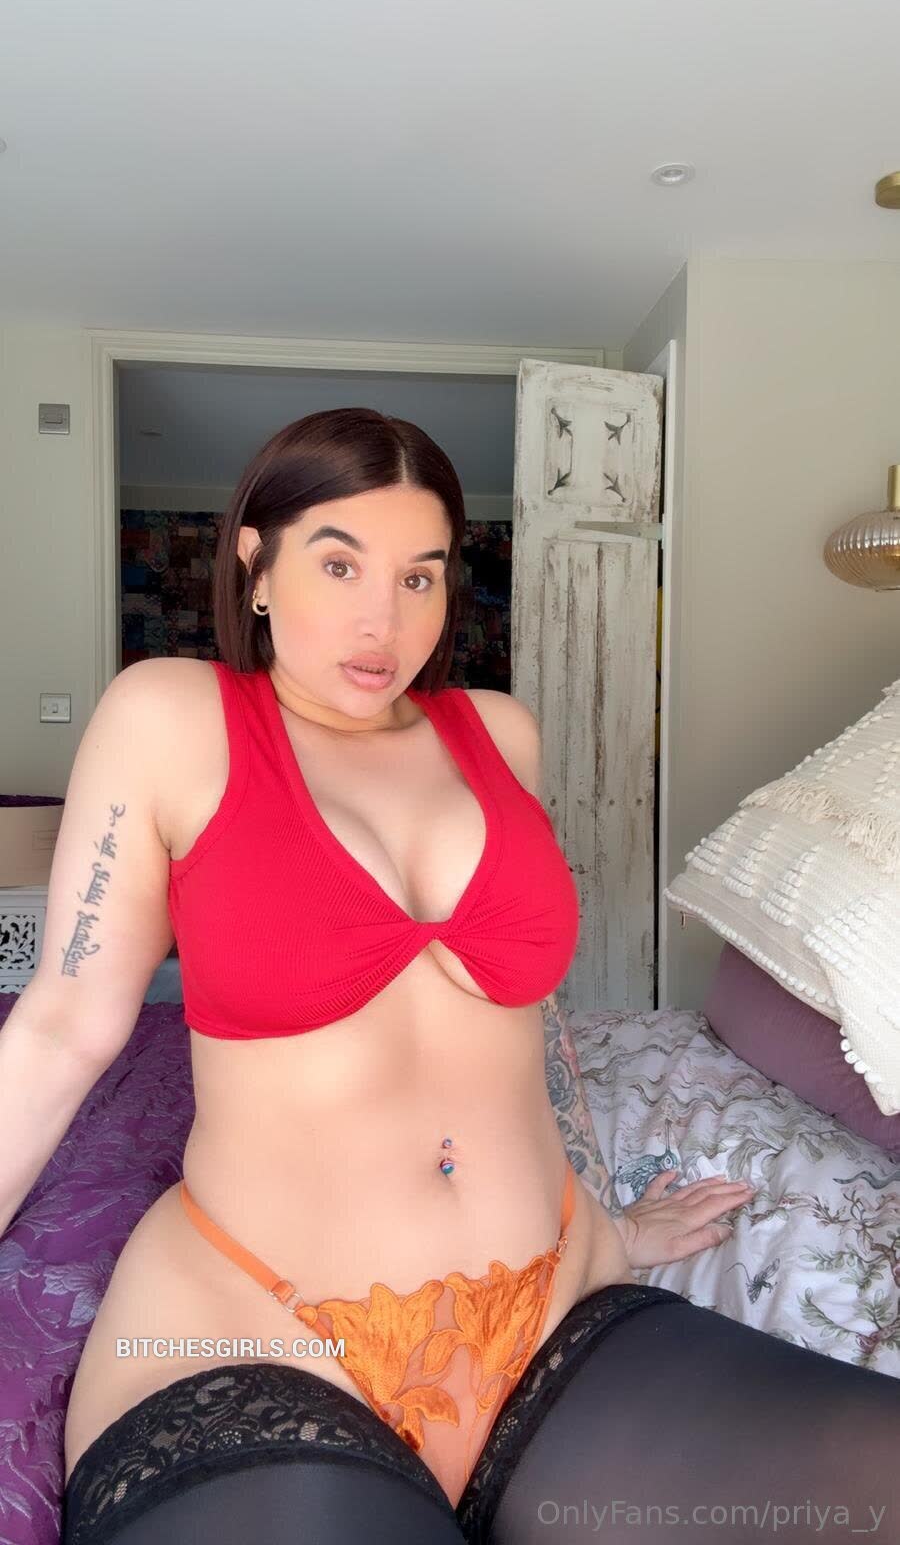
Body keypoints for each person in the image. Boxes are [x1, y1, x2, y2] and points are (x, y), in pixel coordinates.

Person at [4, 409, 897, 1545]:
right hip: (258, 1331)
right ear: (256, 565)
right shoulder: (172, 718)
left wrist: (612, 1234)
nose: (384, 621)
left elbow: (511, 1033)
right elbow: (62, 1027)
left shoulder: (499, 733)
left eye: (419, 577)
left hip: (547, 1309)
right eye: (340, 564)